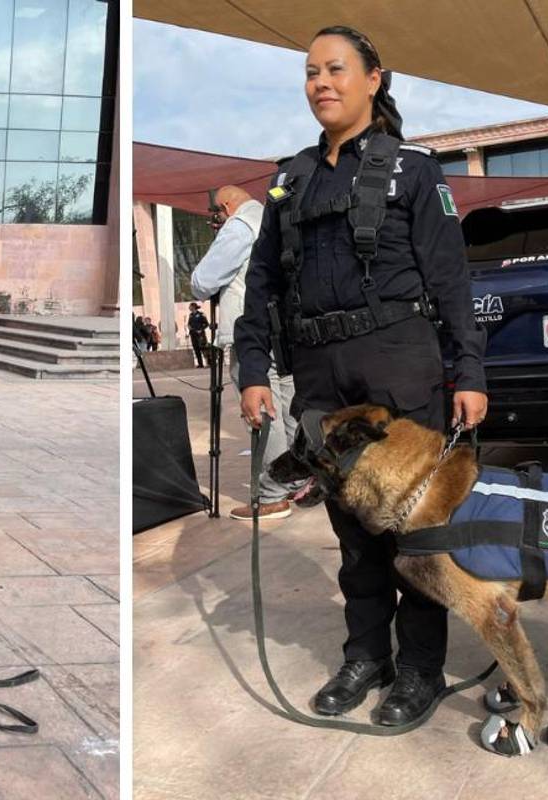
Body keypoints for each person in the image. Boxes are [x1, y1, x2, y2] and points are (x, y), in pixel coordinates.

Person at [234, 27, 488, 728]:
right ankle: (366, 656)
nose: (321, 82)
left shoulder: (415, 171)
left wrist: (469, 370)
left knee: (416, 534)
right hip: (321, 376)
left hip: (401, 365)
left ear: (375, 78)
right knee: (353, 537)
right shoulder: (290, 179)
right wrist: (251, 367)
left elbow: (451, 281)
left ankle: (419, 671)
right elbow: (262, 284)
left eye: (336, 69)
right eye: (311, 72)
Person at [192, 185, 302, 520]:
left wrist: (223, 234)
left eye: (216, 212)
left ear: (224, 206)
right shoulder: (274, 218)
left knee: (261, 410)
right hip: (285, 329)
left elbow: (202, 281)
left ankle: (272, 494)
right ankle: (297, 481)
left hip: (250, 332)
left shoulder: (240, 227)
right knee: (287, 409)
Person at [187, 302, 209, 368]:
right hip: (193, 334)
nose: (189, 308)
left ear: (193, 307)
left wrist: (201, 329)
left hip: (200, 334)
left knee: (203, 348)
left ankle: (208, 362)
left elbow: (206, 324)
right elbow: (189, 323)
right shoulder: (190, 315)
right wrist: (189, 326)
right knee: (196, 349)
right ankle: (200, 364)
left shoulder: (201, 314)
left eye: (190, 306)